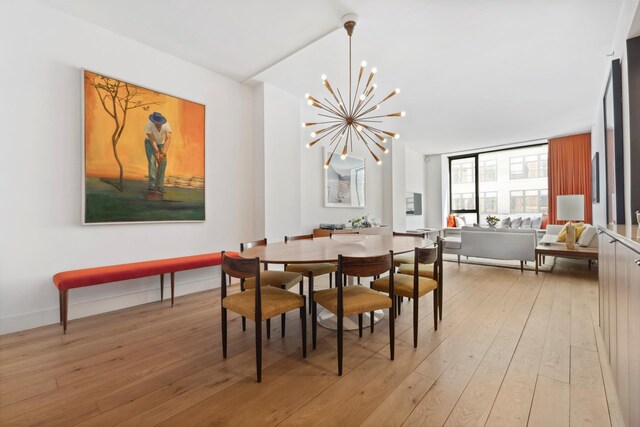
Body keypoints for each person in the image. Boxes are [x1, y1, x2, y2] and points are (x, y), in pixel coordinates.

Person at [144, 112, 172, 193]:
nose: (158, 125)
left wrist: (163, 153)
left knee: (163, 162)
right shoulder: (148, 125)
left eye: (160, 123)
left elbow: (168, 139)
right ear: (154, 121)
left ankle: (160, 186)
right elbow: (152, 140)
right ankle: (152, 185)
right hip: (150, 143)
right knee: (152, 162)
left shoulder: (167, 125)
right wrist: (156, 151)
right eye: (157, 123)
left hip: (162, 144)